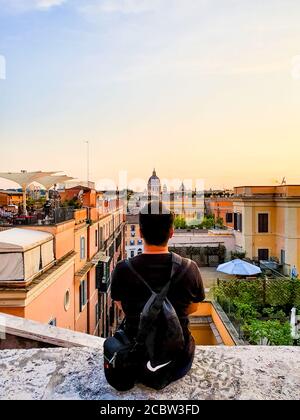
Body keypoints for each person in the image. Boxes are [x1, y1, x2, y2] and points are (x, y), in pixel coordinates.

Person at [111, 201, 205, 389]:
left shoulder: (122, 269)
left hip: (134, 359)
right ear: (171, 233)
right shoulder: (190, 268)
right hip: (177, 361)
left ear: (140, 233)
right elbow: (193, 307)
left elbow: (122, 305)